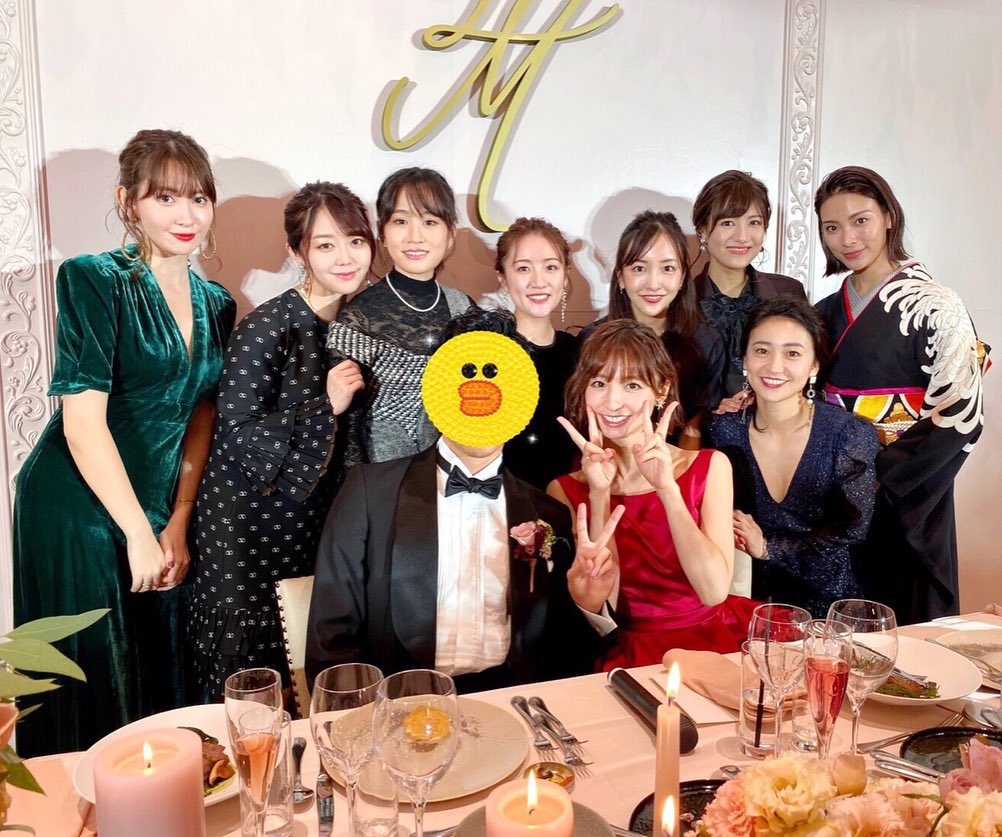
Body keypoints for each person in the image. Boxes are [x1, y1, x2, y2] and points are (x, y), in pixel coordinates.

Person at [12, 129, 235, 755]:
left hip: (158, 506)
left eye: (198, 199)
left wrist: (178, 520)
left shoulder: (217, 303)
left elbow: (202, 414)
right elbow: (82, 422)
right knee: (93, 684)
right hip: (77, 507)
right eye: (165, 198)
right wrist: (137, 531)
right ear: (127, 202)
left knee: (159, 681)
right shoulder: (94, 278)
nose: (186, 216)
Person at [306, 308, 620, 691]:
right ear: (439, 386)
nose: (482, 388)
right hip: (400, 703)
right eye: (466, 372)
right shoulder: (369, 494)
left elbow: (562, 659)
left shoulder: (547, 514)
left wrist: (587, 606)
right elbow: (331, 641)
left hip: (512, 701)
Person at [188, 182, 373, 701]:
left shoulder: (361, 323)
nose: (345, 257)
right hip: (249, 526)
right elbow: (236, 434)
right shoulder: (268, 327)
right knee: (254, 686)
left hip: (319, 519)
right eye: (325, 244)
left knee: (313, 666)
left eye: (356, 241)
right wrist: (325, 405)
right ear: (296, 252)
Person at [814, 165, 984, 622]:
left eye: (861, 220)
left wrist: (877, 480)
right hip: (833, 496)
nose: (847, 238)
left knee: (905, 631)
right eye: (832, 227)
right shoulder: (823, 312)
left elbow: (959, 415)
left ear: (889, 216)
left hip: (906, 496)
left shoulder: (937, 306)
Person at [549, 320, 756, 669]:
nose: (613, 401)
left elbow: (713, 592)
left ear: (661, 389)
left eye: (631, 385)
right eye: (599, 383)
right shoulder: (565, 489)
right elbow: (608, 603)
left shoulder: (709, 466)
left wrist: (667, 489)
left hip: (714, 640)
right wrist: (599, 493)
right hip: (630, 650)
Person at [707, 298, 879, 616]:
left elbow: (850, 530)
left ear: (814, 366)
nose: (774, 367)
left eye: (792, 353)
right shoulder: (724, 431)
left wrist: (768, 548)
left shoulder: (848, 435)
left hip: (830, 610)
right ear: (744, 359)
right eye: (762, 350)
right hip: (749, 607)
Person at [327, 167, 472, 467]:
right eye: (401, 221)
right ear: (382, 232)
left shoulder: (464, 308)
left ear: (451, 233)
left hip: (457, 477)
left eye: (430, 222)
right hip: (384, 483)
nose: (415, 237)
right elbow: (349, 440)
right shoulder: (358, 320)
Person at [582, 211, 724, 449]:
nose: (653, 283)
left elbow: (697, 425)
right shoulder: (592, 339)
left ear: (682, 277)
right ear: (621, 277)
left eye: (667, 268)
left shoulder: (706, 342)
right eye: (639, 268)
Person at [691, 170, 807, 404]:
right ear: (702, 230)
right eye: (728, 223)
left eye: (754, 222)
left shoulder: (789, 293)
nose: (743, 237)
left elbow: (805, 372)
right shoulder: (680, 301)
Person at [495, 217, 579, 489]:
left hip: (566, 502)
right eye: (523, 268)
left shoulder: (579, 354)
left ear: (565, 277)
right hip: (498, 499)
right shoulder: (486, 353)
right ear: (503, 279)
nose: (538, 281)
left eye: (550, 267)